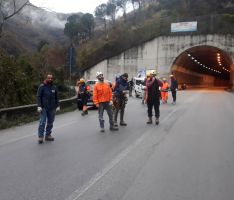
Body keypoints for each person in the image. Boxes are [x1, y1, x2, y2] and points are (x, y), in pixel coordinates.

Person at [37, 74, 60, 144]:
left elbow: (57, 97)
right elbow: (38, 96)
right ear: (46, 78)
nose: (50, 79)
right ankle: (40, 136)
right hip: (44, 107)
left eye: (51, 78)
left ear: (52, 79)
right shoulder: (42, 87)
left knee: (50, 122)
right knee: (42, 122)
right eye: (48, 78)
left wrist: (58, 105)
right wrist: (39, 106)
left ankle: (48, 135)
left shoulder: (54, 87)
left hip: (52, 108)